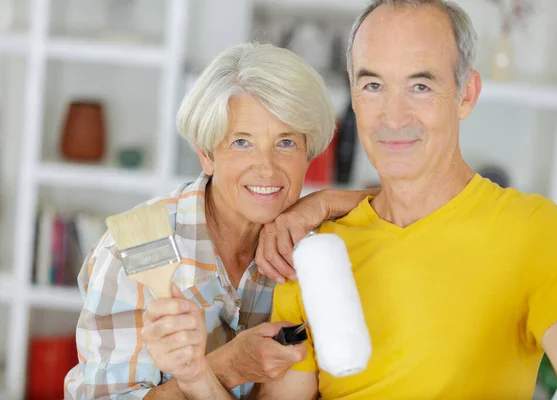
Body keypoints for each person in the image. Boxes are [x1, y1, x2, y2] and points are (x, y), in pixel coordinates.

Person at [161, 1, 557, 399]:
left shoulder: (534, 233)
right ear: (353, 95)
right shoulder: (311, 253)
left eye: (420, 86)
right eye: (373, 86)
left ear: (466, 93)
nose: (393, 116)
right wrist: (198, 376)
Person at [63, 42, 378, 399]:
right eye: (242, 142)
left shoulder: (315, 246)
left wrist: (322, 202)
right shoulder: (132, 251)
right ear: (206, 154)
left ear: (310, 152)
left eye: (286, 143)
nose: (266, 167)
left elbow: (427, 207)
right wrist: (228, 367)